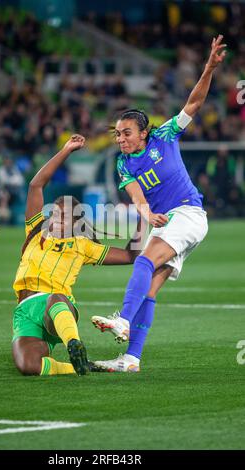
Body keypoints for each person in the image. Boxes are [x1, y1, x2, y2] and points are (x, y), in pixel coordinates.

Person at [91, 35, 226, 372]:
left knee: (143, 263)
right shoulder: (123, 163)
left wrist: (208, 67)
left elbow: (193, 104)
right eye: (118, 134)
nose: (120, 139)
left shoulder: (165, 136)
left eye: (126, 133)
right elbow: (136, 194)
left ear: (143, 132)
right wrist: (145, 211)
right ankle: (131, 359)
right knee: (149, 288)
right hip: (167, 220)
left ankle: (123, 319)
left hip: (188, 214)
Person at [12, 134, 144, 377]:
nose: (56, 220)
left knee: (55, 298)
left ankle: (74, 343)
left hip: (57, 308)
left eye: (64, 217)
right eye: (55, 214)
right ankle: (79, 366)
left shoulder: (82, 246)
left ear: (75, 224)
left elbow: (130, 255)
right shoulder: (34, 230)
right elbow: (35, 186)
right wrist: (65, 151)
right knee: (28, 366)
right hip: (25, 310)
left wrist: (142, 216)